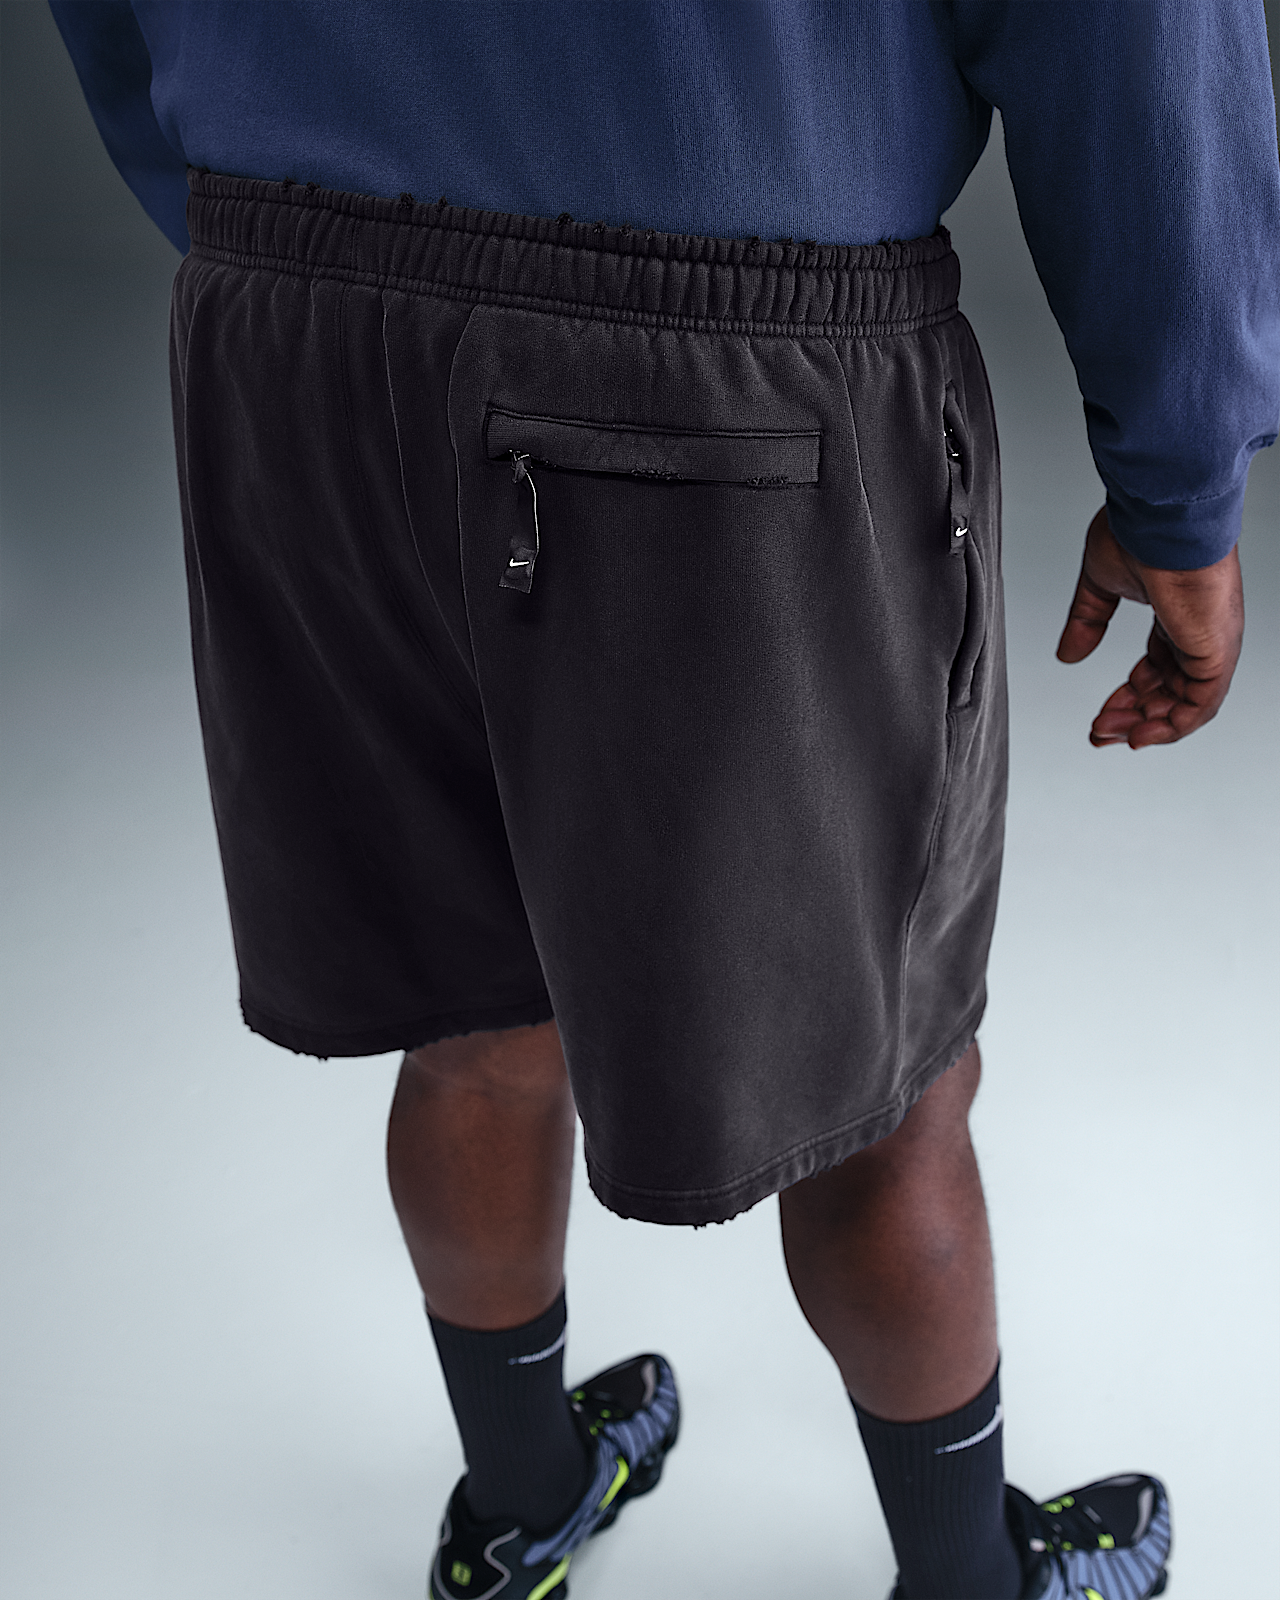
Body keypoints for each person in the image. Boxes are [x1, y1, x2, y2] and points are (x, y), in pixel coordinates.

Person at [48, 3, 1278, 1597]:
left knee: (470, 1009)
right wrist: (1181, 475)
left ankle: (520, 1509)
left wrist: (275, 238)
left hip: (291, 330)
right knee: (881, 1092)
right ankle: (971, 1582)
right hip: (714, 376)